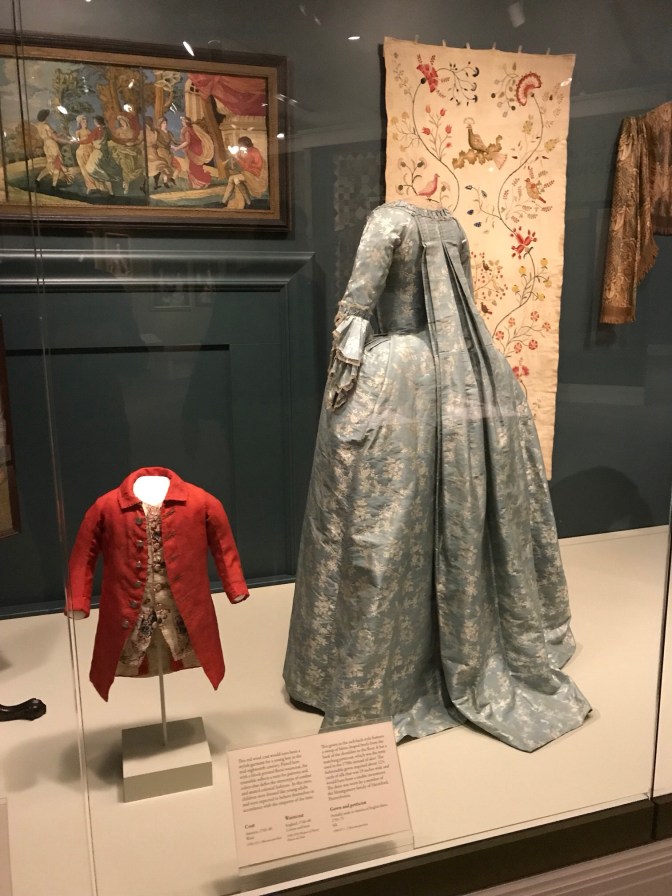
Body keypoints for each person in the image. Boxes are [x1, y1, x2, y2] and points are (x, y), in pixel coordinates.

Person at [283, 200, 591, 752]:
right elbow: (460, 304)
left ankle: (365, 671)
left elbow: (357, 309)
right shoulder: (450, 222)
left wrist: (342, 383)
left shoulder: (387, 221)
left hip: (396, 374)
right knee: (451, 513)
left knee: (382, 520)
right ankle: (466, 644)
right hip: (455, 368)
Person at [222, 135, 268, 207]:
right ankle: (225, 201)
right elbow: (244, 162)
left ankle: (247, 201)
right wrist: (236, 156)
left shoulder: (251, 152)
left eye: (240, 144)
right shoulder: (251, 150)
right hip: (250, 171)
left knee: (235, 179)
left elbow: (245, 166)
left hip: (254, 174)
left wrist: (236, 157)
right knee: (232, 179)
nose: (239, 146)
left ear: (244, 144)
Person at [34, 109, 73, 188]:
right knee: (57, 164)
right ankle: (54, 186)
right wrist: (67, 142)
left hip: (46, 145)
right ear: (45, 117)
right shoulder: (46, 126)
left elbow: (50, 136)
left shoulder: (39, 126)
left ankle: (38, 180)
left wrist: (61, 134)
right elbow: (56, 139)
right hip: (52, 146)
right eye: (47, 116)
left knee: (50, 165)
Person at [172, 116, 214, 189]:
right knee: (197, 167)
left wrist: (177, 148)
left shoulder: (187, 130)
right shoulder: (193, 128)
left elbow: (187, 142)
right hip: (198, 148)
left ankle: (202, 183)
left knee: (193, 167)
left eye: (183, 121)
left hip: (193, 150)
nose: (182, 122)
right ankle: (203, 182)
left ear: (186, 122)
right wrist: (177, 144)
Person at [145, 115, 177, 189]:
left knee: (167, 166)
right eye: (163, 123)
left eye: (165, 123)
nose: (165, 125)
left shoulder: (169, 133)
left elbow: (175, 142)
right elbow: (154, 141)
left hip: (168, 152)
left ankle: (165, 182)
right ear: (160, 124)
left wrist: (184, 143)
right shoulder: (157, 132)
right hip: (160, 151)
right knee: (162, 166)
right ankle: (158, 183)